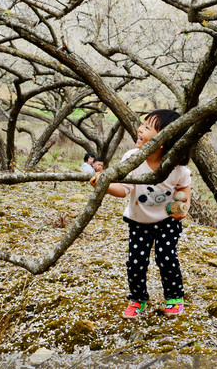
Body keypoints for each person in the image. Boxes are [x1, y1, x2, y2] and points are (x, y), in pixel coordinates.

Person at [90, 109, 191, 319]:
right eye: (142, 124)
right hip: (138, 220)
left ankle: (173, 297)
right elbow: (123, 189)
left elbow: (184, 189)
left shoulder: (177, 167)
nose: (139, 129)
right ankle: (137, 298)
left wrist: (184, 208)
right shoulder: (132, 159)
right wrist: (104, 185)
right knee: (135, 261)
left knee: (167, 257)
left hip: (166, 221)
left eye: (147, 127)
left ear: (163, 140)